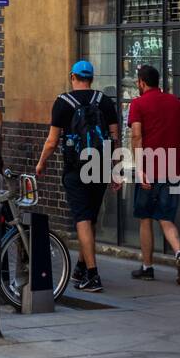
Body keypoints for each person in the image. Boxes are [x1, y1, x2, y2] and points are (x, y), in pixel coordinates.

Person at [36, 60, 120, 292]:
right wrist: (115, 168)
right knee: (90, 218)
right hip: (100, 165)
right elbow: (115, 138)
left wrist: (41, 162)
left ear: (73, 76)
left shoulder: (63, 103)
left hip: (76, 167)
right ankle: (82, 267)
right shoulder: (104, 101)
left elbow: (52, 141)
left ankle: (93, 274)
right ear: (91, 78)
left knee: (82, 219)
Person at [128, 64, 180, 284]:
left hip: (149, 169)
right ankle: (179, 253)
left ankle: (147, 267)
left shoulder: (138, 104)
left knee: (145, 218)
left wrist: (140, 167)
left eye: (138, 82)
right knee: (166, 218)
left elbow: (137, 136)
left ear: (142, 83)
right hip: (171, 168)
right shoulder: (174, 102)